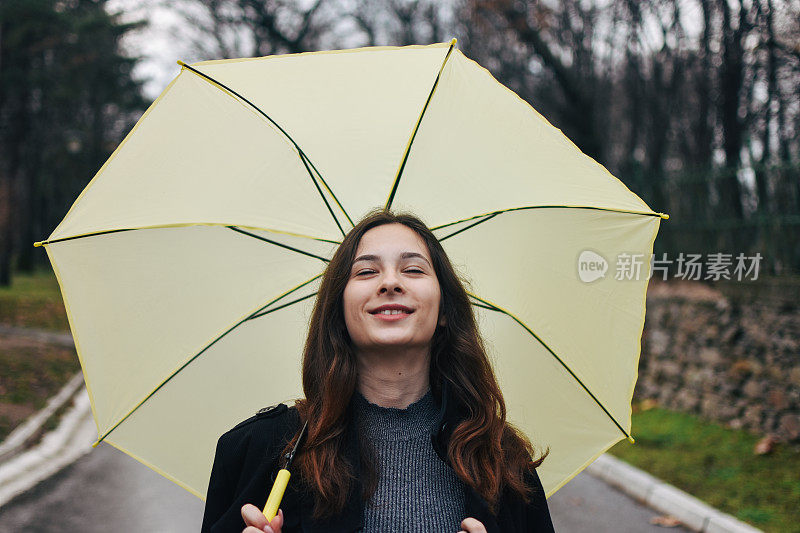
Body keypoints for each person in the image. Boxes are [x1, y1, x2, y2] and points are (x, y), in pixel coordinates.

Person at [201, 210, 554, 533]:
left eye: (413, 269)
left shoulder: (503, 461)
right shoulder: (260, 450)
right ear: (339, 311)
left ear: (445, 310)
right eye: (367, 271)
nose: (389, 283)